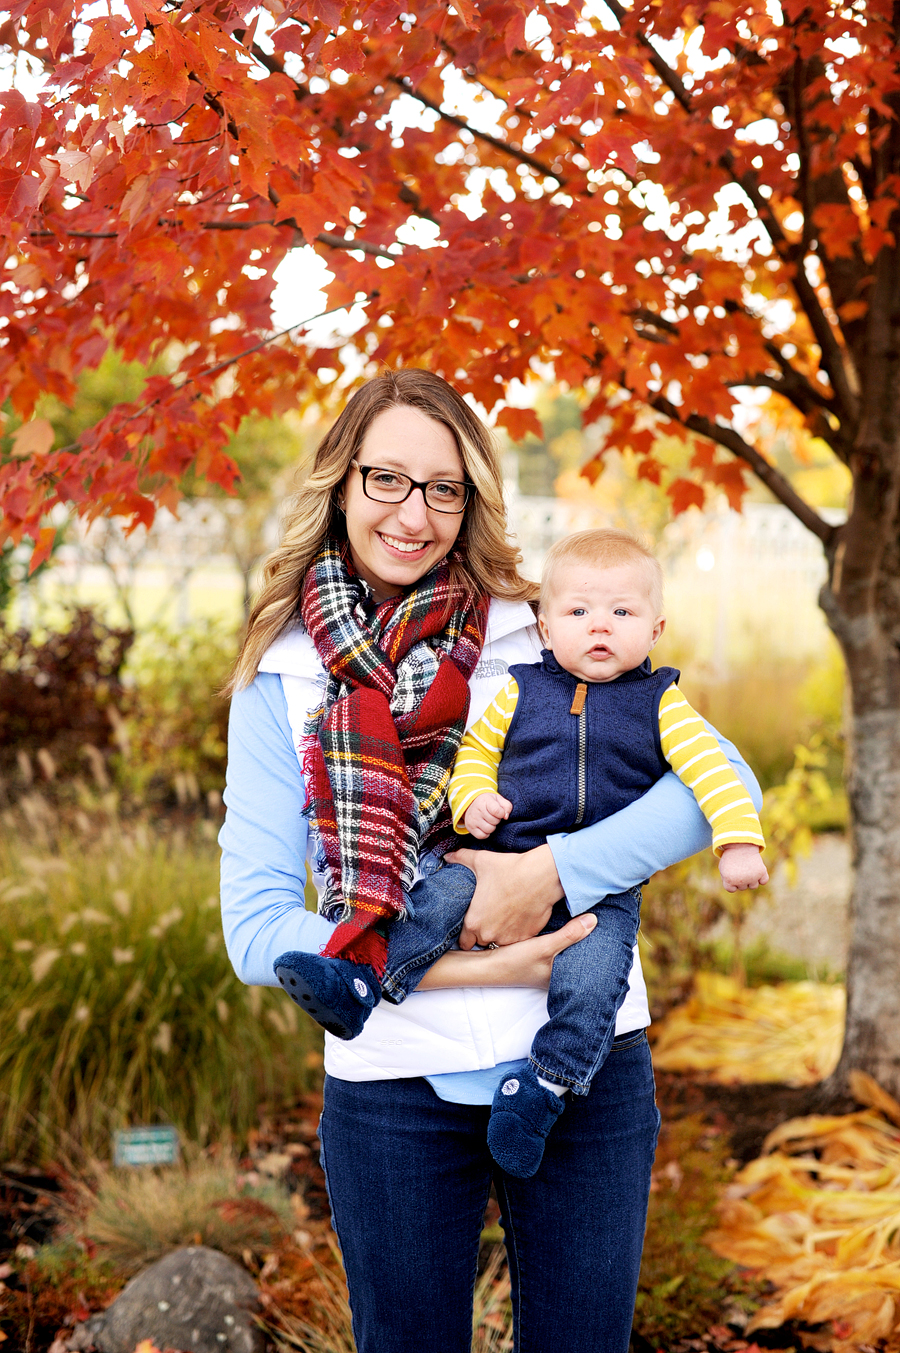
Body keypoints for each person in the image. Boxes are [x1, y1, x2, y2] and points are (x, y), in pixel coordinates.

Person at [219, 369, 763, 1353]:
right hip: (392, 1085)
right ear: (342, 483)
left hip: (583, 1069)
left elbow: (718, 786)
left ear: (470, 499)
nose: (413, 514)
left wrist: (549, 875)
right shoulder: (281, 674)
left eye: (443, 488)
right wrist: (487, 956)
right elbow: (257, 929)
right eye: (387, 479)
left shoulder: (539, 628)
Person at [273, 527, 768, 1178]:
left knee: (593, 985)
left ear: (655, 628)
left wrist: (736, 841)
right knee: (434, 900)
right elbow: (474, 752)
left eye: (623, 612)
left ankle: (545, 1087)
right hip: (498, 855)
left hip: (600, 890)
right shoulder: (520, 688)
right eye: (579, 611)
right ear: (545, 626)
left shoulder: (660, 703)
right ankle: (362, 978)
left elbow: (714, 771)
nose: (600, 626)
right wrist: (471, 799)